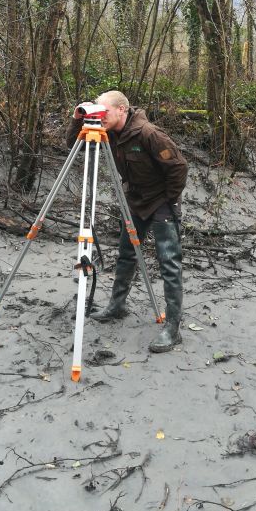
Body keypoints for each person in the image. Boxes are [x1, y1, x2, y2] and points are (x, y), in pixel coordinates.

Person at [66, 90, 188, 353]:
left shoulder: (149, 134)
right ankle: (117, 306)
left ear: (121, 110)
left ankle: (172, 327)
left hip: (161, 204)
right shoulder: (108, 132)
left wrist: (167, 200)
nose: (101, 116)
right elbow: (73, 145)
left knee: (169, 262)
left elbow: (179, 167)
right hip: (134, 202)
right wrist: (79, 119)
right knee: (126, 254)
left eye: (105, 111)